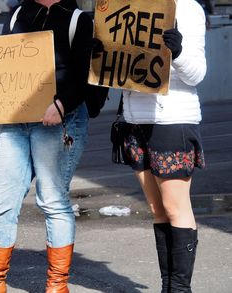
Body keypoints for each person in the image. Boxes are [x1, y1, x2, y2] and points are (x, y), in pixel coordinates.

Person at [0, 0, 93, 292]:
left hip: (60, 121)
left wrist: (61, 104)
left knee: (53, 202)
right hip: (17, 119)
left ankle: (57, 287)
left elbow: (86, 76)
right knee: (1, 205)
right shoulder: (19, 13)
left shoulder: (78, 20)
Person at [120, 0, 206, 292]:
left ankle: (180, 289)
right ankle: (168, 286)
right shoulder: (127, 7)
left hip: (174, 120)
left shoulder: (187, 8)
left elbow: (196, 75)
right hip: (135, 121)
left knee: (175, 207)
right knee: (158, 209)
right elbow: (119, 78)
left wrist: (178, 51)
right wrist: (103, 57)